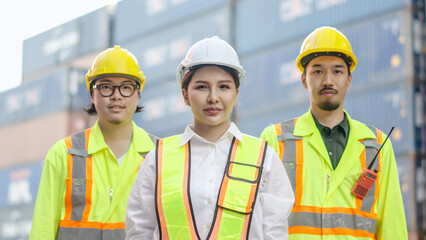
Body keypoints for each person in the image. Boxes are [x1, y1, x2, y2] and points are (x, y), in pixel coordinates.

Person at [125, 36, 294, 239]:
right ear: (185, 95)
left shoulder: (264, 158)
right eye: (202, 87)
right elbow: (139, 232)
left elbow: (274, 233)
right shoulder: (157, 159)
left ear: (236, 94)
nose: (213, 97)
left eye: (224, 87)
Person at [260, 26, 408, 239]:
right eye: (318, 71)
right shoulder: (275, 139)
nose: (328, 80)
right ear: (303, 80)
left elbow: (393, 227)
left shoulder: (376, 144)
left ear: (349, 79)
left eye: (337, 71)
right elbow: (260, 224)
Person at [30, 45, 157, 240]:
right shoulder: (64, 154)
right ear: (92, 94)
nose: (116, 95)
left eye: (126, 87)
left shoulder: (161, 155)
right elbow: (42, 230)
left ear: (138, 94)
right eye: (106, 87)